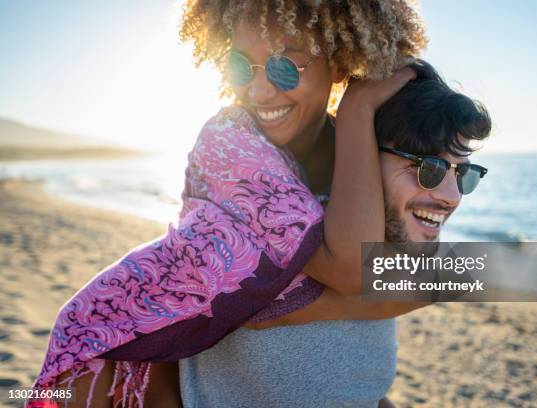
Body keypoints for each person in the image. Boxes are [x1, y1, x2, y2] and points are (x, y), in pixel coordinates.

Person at [30, 1, 427, 407]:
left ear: (341, 62)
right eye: (239, 66)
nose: (258, 91)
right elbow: (357, 269)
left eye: (284, 67)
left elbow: (460, 271)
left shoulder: (377, 150)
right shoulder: (228, 143)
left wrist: (299, 310)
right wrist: (358, 106)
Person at [177, 60, 492, 408]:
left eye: (464, 174)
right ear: (361, 153)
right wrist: (357, 110)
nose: (451, 196)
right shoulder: (284, 212)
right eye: (428, 168)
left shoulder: (396, 246)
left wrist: (314, 307)